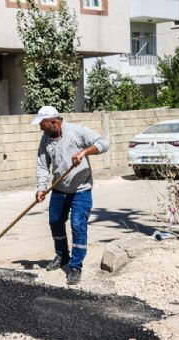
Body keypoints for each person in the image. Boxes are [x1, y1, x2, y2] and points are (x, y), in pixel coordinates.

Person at [33, 106, 110, 285]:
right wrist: (41, 188)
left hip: (81, 190)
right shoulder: (46, 139)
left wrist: (84, 151)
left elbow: (104, 142)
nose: (40, 128)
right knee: (55, 222)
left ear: (54, 122)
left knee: (78, 225)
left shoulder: (77, 131)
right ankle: (62, 256)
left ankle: (75, 266)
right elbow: (43, 165)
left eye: (42, 124)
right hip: (59, 189)